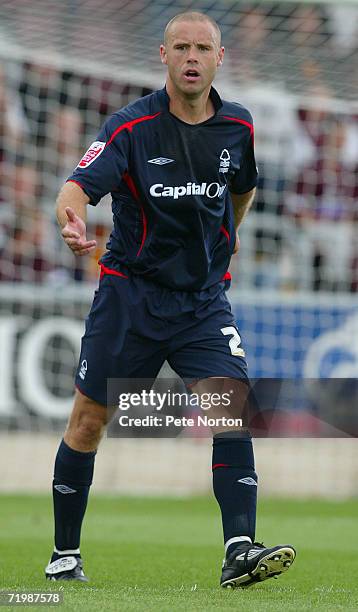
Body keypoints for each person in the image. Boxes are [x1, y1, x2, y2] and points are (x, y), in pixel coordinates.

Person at [45, 11, 295, 588]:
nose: (190, 57)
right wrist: (72, 221)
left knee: (232, 411)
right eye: (180, 46)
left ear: (219, 57)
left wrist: (222, 245)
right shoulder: (130, 126)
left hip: (204, 303)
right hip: (131, 297)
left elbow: (244, 186)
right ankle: (64, 556)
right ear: (163, 56)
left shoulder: (239, 126)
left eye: (201, 48)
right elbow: (76, 186)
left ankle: (239, 549)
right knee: (87, 421)